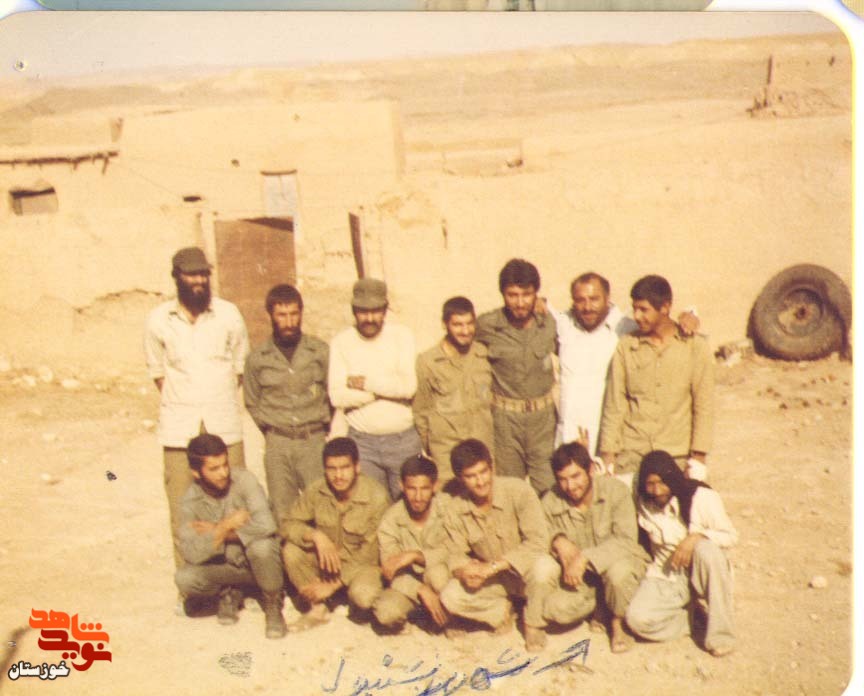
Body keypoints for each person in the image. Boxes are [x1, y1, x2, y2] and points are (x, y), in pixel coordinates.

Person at [144, 246, 249, 571]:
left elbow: (239, 368)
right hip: (179, 428)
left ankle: (234, 579)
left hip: (224, 424)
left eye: (204, 274)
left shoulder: (229, 314)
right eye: (191, 274)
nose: (199, 281)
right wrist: (187, 400)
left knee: (234, 504)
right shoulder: (158, 320)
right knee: (182, 507)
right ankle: (190, 582)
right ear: (176, 277)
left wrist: (214, 396)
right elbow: (158, 373)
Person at [439, 438, 559, 652]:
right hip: (497, 581)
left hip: (526, 572)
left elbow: (538, 542)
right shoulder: (455, 509)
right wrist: (465, 571)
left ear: (492, 467)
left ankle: (533, 624)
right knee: (450, 596)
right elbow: (455, 554)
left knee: (545, 567)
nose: (480, 481)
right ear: (460, 479)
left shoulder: (519, 491)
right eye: (471, 476)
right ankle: (501, 612)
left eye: (483, 472)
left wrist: (493, 566)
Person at [625, 450, 737, 657]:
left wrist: (696, 537)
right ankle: (692, 620)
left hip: (703, 570)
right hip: (668, 574)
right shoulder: (643, 499)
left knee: (707, 551)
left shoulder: (700, 497)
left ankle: (721, 635)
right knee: (637, 620)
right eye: (650, 484)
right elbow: (614, 481)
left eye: (662, 482)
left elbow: (730, 536)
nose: (657, 490)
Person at [174, 434, 286, 639]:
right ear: (196, 472)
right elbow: (191, 553)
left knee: (262, 547)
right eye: (214, 469)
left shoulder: (244, 480)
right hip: (227, 566)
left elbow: (267, 525)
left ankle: (272, 601)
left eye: (225, 465)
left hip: (255, 563)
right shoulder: (190, 501)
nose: (223, 473)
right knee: (185, 578)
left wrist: (217, 533)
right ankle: (230, 591)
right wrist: (224, 526)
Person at [599, 275, 714, 475]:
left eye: (644, 310)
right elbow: (615, 404)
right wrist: (608, 455)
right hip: (633, 454)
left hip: (676, 455)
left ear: (665, 307)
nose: (636, 316)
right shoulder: (627, 346)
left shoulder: (694, 347)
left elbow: (703, 405)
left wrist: (698, 457)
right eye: (634, 308)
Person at [541, 441, 648, 653]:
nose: (570, 486)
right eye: (562, 479)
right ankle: (601, 604)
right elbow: (537, 532)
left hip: (619, 564)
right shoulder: (552, 499)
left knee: (618, 575)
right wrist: (557, 540)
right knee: (554, 609)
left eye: (576, 476)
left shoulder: (615, 490)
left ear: (591, 469)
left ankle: (618, 622)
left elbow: (626, 540)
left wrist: (584, 558)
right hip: (585, 579)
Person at [281, 437, 389, 632]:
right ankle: (318, 608)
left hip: (360, 566)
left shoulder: (377, 496)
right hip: (328, 563)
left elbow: (371, 553)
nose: (338, 476)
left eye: (344, 468)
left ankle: (341, 598)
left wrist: (334, 585)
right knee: (291, 551)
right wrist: (315, 535)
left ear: (357, 467)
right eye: (331, 469)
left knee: (364, 596)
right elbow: (288, 524)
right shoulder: (317, 490)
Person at [243, 284, 330, 524]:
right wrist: (274, 430)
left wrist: (318, 423)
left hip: (313, 441)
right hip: (278, 444)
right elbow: (252, 402)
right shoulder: (257, 359)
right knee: (284, 513)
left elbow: (329, 392)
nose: (289, 322)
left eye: (294, 314)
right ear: (271, 315)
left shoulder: (319, 352)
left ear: (301, 313)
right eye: (282, 315)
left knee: (322, 508)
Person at [328, 278, 421, 500]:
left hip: (403, 441)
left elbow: (408, 388)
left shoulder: (402, 336)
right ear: (354, 311)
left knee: (408, 503)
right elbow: (337, 396)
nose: (370, 318)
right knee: (371, 505)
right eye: (363, 311)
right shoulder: (341, 342)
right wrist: (384, 391)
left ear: (385, 310)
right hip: (362, 443)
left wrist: (364, 383)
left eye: (376, 311)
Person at [476, 259, 557, 494]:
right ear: (502, 294)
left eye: (527, 294)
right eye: (512, 295)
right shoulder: (487, 325)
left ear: (536, 294)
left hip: (543, 421)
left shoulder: (549, 323)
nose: (520, 302)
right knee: (510, 489)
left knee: (548, 488)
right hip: (506, 422)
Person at [413, 296, 493, 488]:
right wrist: (430, 448)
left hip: (482, 445)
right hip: (447, 452)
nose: (465, 331)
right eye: (457, 325)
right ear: (445, 324)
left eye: (469, 324)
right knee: (449, 500)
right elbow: (421, 411)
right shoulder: (428, 362)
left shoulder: (484, 354)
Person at [372, 455, 450, 632]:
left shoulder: (447, 508)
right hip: (410, 585)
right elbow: (390, 570)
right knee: (386, 612)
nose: (418, 497)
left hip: (443, 578)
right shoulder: (391, 519)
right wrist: (420, 589)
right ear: (401, 486)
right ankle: (423, 614)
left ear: (435, 486)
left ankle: (449, 618)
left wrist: (417, 556)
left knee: (438, 576)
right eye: (412, 489)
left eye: (425, 489)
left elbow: (455, 551)